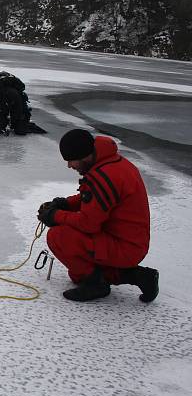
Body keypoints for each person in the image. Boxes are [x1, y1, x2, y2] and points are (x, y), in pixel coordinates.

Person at [37, 129, 159, 302]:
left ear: (84, 156)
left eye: (71, 160)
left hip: (125, 247)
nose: (69, 166)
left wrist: (55, 216)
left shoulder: (104, 176)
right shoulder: (111, 163)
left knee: (59, 237)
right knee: (77, 273)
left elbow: (88, 224)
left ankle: (96, 285)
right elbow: (94, 198)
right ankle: (139, 277)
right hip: (129, 241)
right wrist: (66, 203)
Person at [0, 71, 31, 135]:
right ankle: (8, 124)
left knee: (20, 131)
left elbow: (18, 109)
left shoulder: (11, 92)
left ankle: (17, 124)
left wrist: (12, 122)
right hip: (4, 111)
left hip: (16, 112)